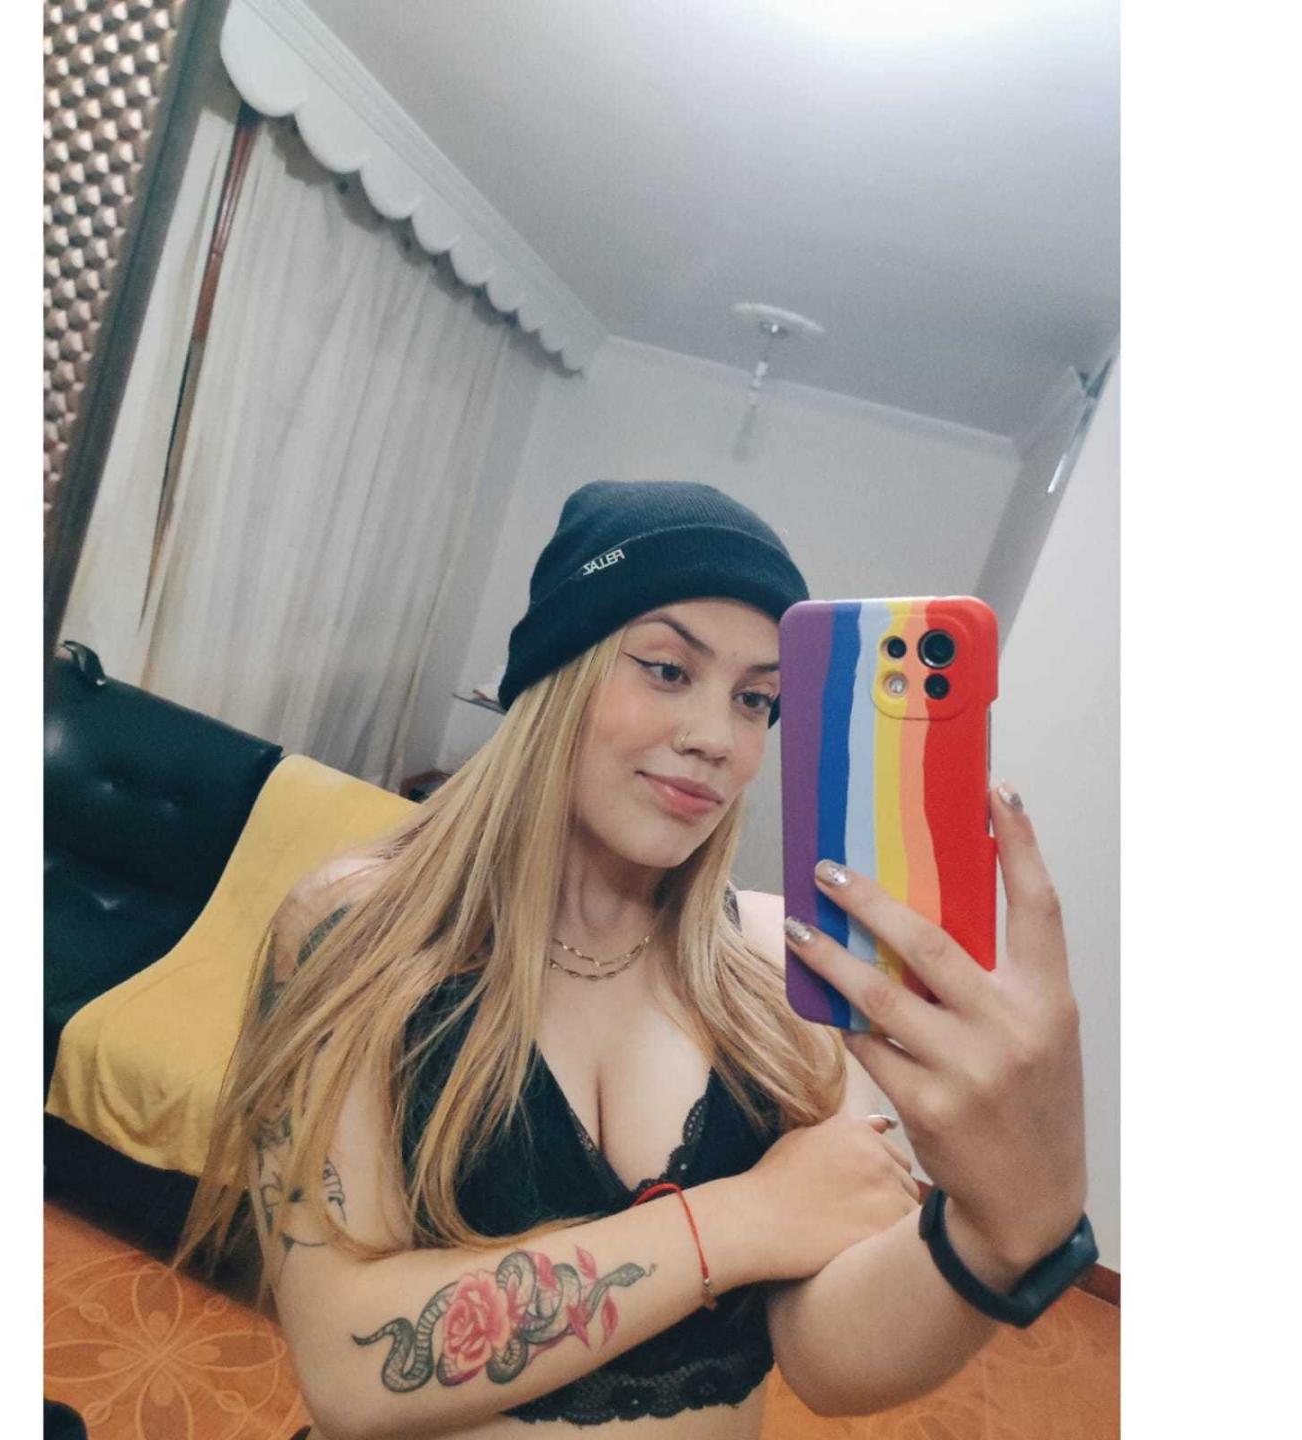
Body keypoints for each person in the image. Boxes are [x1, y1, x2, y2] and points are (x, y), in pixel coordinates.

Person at [176, 480, 1090, 1439]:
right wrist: (738, 1219)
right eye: (666, 668)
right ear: (556, 674)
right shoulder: (358, 932)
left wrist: (995, 1233)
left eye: (755, 700)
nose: (716, 739)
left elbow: (824, 1359)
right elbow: (348, 1369)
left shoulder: (775, 966)